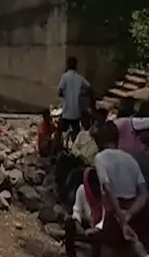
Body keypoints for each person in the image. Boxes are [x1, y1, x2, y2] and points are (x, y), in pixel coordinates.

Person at [94, 121, 149, 252]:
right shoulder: (130, 159)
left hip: (113, 214)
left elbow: (107, 188)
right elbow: (144, 194)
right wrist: (128, 214)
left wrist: (121, 219)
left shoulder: (100, 158)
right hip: (135, 215)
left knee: (108, 249)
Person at [64, 167, 103, 257]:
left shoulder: (105, 195)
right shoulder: (82, 190)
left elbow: (106, 217)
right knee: (69, 223)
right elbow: (77, 210)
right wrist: (77, 222)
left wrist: (95, 229)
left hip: (100, 230)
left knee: (99, 237)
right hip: (87, 225)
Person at [59, 56, 92, 143]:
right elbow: (89, 88)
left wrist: (65, 96)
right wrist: (82, 94)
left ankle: (65, 149)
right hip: (76, 112)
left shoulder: (64, 77)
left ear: (67, 65)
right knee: (76, 135)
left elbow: (60, 92)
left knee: (64, 133)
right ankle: (75, 150)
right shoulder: (79, 78)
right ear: (76, 65)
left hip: (66, 111)